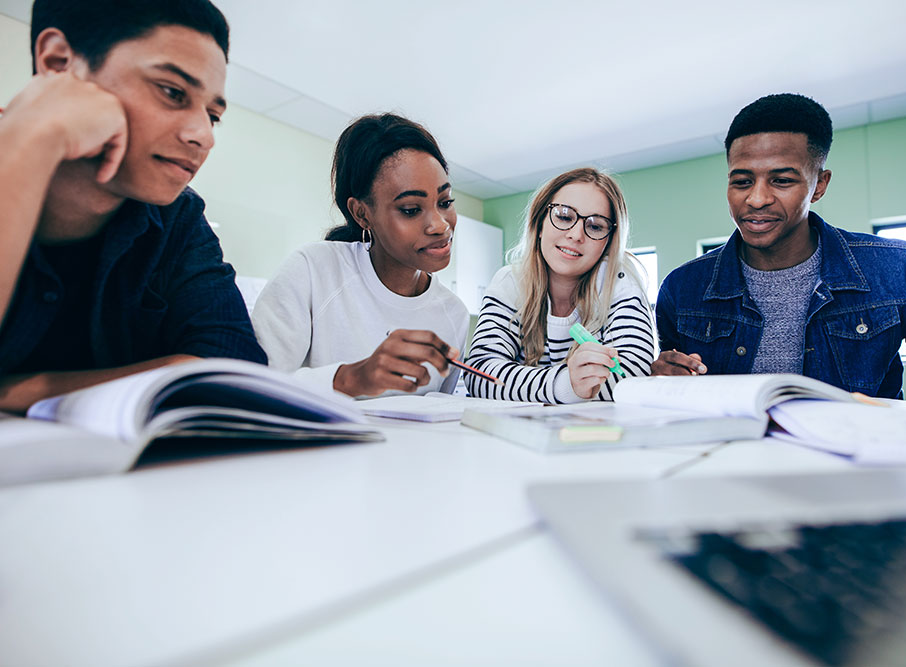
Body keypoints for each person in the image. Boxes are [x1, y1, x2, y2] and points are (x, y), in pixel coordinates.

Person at [652, 93, 906, 410]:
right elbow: (677, 400)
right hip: (725, 472)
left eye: (782, 180)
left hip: (858, 474)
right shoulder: (683, 288)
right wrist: (662, 385)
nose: (756, 199)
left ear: (819, 184)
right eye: (741, 181)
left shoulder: (905, 270)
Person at [0, 0, 265, 414]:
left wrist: (16, 392)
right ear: (58, 62)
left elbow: (233, 369)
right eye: (173, 92)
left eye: (212, 116)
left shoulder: (179, 219)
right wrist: (35, 135)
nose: (203, 136)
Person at [251, 113, 469, 398]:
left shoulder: (454, 313)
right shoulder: (312, 271)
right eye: (411, 210)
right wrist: (351, 378)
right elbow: (252, 388)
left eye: (445, 202)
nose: (440, 225)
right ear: (362, 214)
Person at [464, 167, 656, 402]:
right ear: (540, 223)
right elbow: (480, 375)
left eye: (595, 226)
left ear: (608, 241)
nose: (576, 235)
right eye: (564, 216)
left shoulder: (620, 281)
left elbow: (633, 376)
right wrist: (567, 385)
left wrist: (528, 385)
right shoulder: (510, 282)